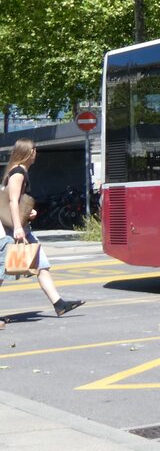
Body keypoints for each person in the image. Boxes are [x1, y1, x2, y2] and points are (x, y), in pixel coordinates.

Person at [2, 139, 84, 325]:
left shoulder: (21, 172)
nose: (36, 153)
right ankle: (59, 303)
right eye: (34, 149)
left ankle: (59, 304)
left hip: (20, 227)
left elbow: (17, 202)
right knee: (1, 271)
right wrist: (17, 227)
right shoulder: (18, 172)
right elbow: (13, 201)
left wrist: (28, 213)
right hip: (12, 229)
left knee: (42, 265)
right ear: (28, 152)